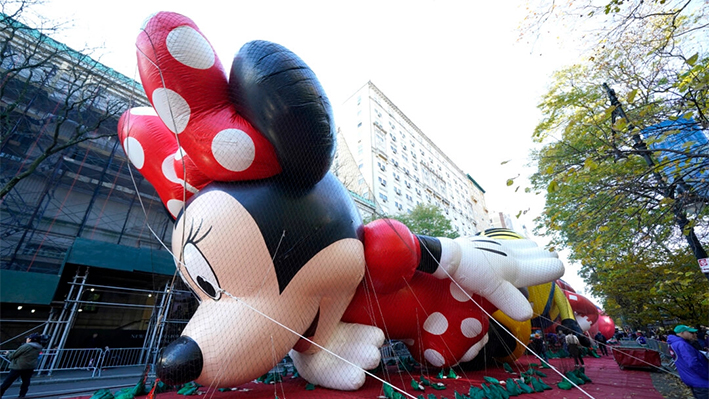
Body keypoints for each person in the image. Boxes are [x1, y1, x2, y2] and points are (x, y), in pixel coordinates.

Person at [667, 325, 709, 399]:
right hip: (701, 382)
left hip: (693, 379)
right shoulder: (682, 344)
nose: (694, 334)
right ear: (682, 333)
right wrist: (707, 374)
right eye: (691, 333)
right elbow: (693, 363)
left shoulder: (675, 343)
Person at [0, 333, 43, 398]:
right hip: (30, 367)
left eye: (28, 338)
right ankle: (22, 395)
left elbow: (13, 355)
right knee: (25, 382)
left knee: (8, 381)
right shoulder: (39, 347)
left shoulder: (26, 346)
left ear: (30, 339)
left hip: (18, 366)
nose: (27, 339)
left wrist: (8, 354)